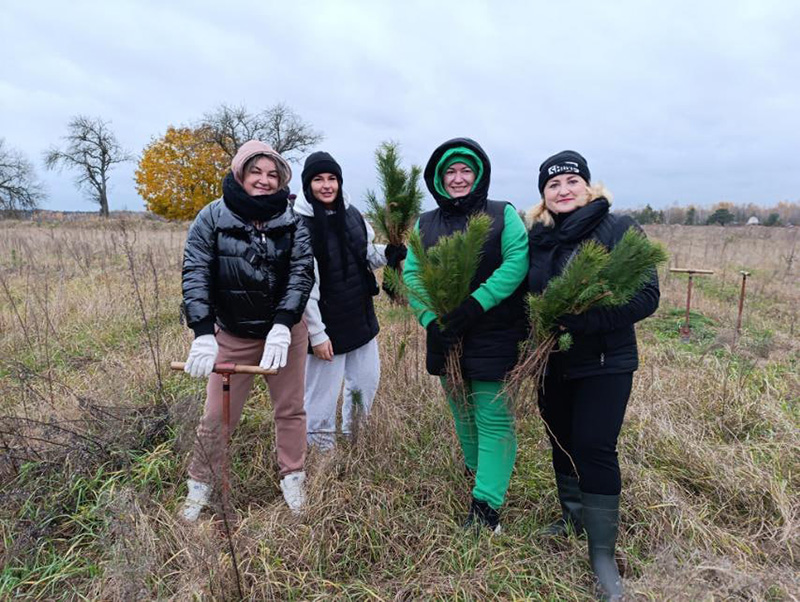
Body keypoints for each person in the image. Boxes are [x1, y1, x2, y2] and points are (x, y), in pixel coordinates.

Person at [527, 150, 660, 600]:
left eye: (571, 181)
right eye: (553, 185)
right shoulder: (538, 236)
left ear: (588, 185)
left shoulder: (618, 228)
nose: (563, 190)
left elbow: (647, 297)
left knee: (593, 445)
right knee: (560, 439)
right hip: (550, 361)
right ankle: (572, 514)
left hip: (605, 360)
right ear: (543, 196)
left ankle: (602, 555)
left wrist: (584, 321)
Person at [180, 140, 314, 520]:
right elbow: (196, 272)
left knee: (290, 409)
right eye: (256, 171)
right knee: (216, 416)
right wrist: (203, 332)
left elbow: (301, 275)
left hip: (283, 334)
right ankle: (200, 486)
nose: (264, 180)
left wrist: (284, 325)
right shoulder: (211, 218)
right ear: (240, 173)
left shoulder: (294, 223)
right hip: (233, 334)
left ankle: (293, 478)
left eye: (273, 174)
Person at [403, 138, 529, 533]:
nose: (458, 178)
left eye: (465, 170)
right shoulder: (425, 223)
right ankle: (480, 477)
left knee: (492, 416)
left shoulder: (501, 214)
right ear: (439, 179)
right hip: (445, 335)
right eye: (450, 172)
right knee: (462, 413)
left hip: (493, 331)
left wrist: (475, 305)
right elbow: (411, 273)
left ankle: (487, 507)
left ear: (479, 174)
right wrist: (430, 318)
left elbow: (516, 262)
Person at [293, 151, 405, 450]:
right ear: (307, 185)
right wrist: (317, 334)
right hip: (325, 327)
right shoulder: (299, 226)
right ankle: (321, 455)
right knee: (321, 397)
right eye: (318, 179)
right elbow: (304, 288)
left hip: (360, 317)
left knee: (366, 383)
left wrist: (389, 253)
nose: (326, 185)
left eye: (332, 179)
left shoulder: (353, 214)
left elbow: (365, 255)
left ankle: (353, 437)